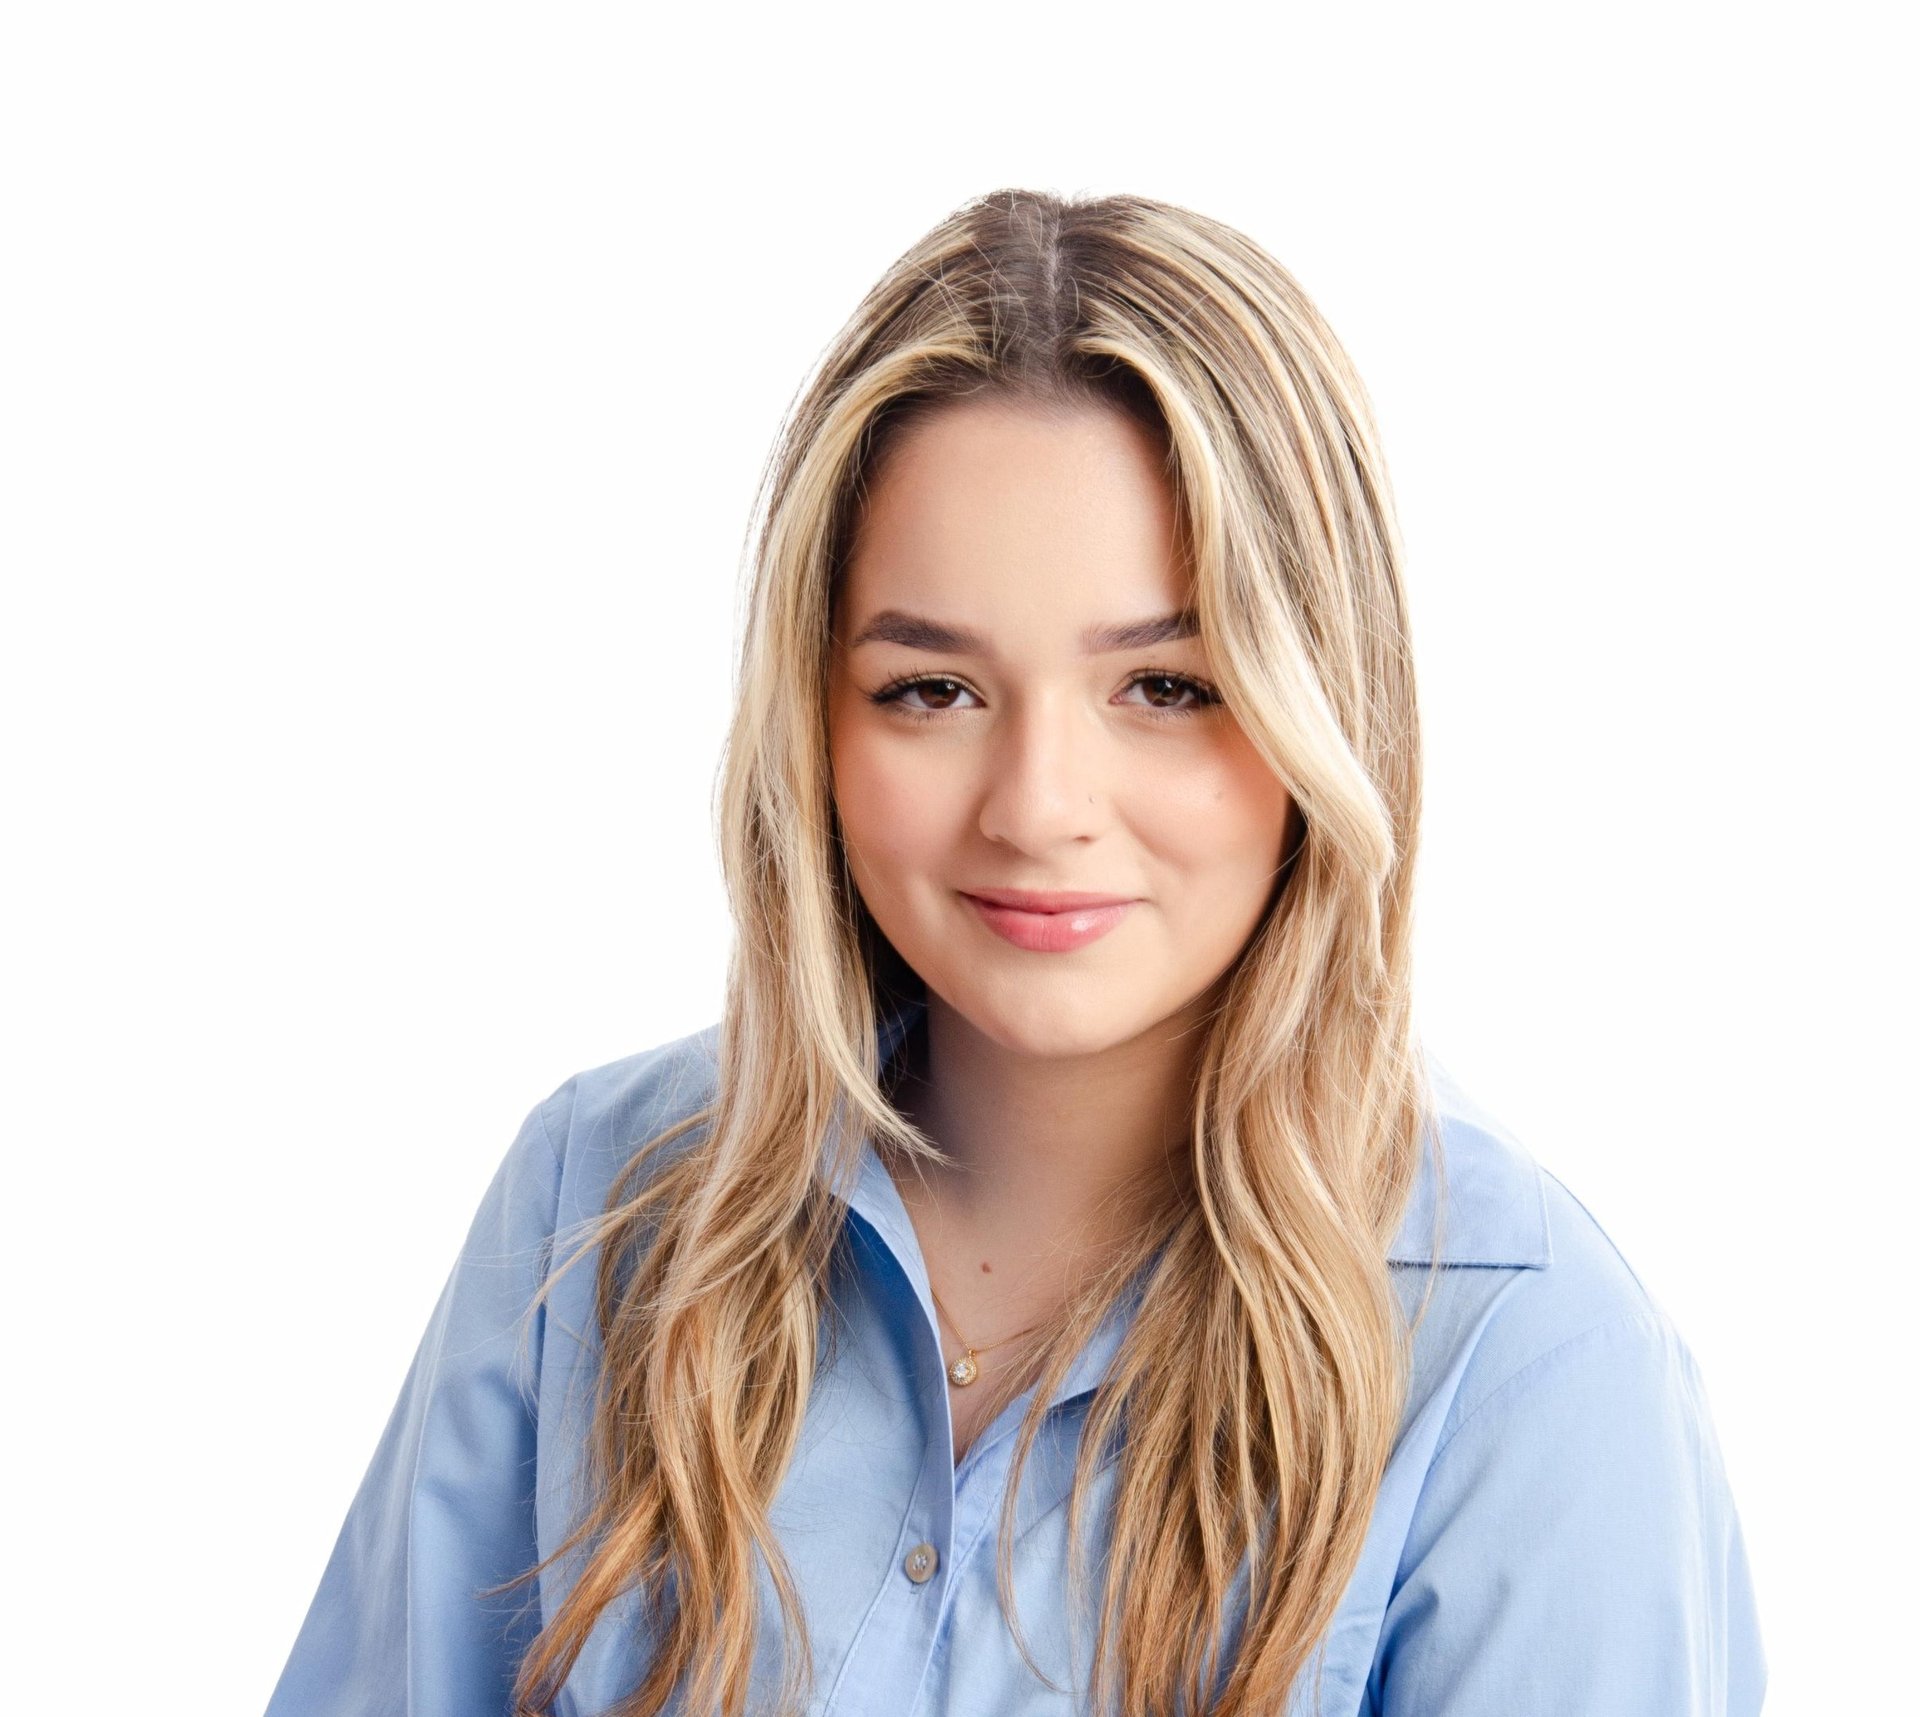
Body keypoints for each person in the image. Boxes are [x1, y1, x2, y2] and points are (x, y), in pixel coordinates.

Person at [264, 189, 1767, 1717]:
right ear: (815, 719)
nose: (1040, 808)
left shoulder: (1533, 1366)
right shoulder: (592, 1205)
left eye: (1168, 686)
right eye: (930, 688)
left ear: (1324, 711)